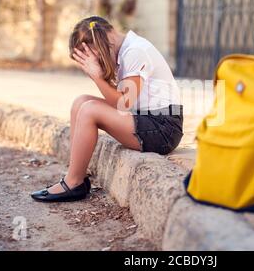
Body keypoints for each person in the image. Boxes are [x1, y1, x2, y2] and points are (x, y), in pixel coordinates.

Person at [31, 16, 183, 202]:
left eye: (92, 56)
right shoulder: (125, 50)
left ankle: (73, 183)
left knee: (89, 110)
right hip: (146, 119)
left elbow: (123, 103)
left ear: (100, 46)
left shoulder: (135, 51)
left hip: (164, 129)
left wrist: (97, 78)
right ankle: (76, 173)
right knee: (81, 103)